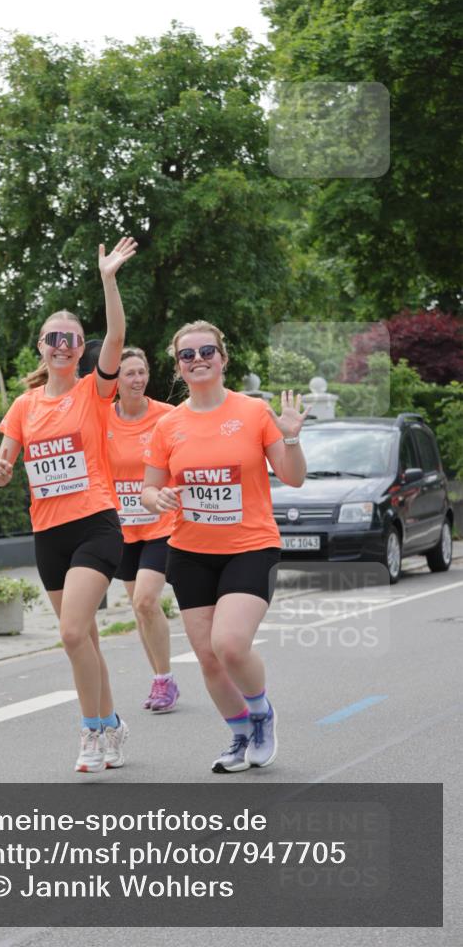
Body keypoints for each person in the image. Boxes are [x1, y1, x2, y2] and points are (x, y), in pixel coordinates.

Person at [0, 236, 138, 773]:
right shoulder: (24, 405)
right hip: (48, 534)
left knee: (73, 632)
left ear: (81, 349)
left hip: (95, 526)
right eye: (53, 337)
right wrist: (1, 469)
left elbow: (117, 335)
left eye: (71, 339)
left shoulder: (93, 393)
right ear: (41, 346)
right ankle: (115, 722)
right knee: (86, 639)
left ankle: (93, 731)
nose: (62, 345)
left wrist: (108, 280)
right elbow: (4, 462)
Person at [140, 320, 309, 773]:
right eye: (187, 355)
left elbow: (293, 477)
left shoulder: (253, 413)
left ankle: (260, 714)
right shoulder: (168, 425)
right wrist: (159, 498)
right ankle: (238, 735)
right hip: (190, 551)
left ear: (223, 358)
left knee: (230, 644)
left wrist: (290, 436)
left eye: (206, 351)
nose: (198, 360)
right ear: (178, 367)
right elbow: (147, 490)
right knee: (209, 658)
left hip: (250, 546)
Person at [107, 347, 180, 712]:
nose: (137, 380)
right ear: (115, 380)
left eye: (142, 372)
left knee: (146, 601)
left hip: (160, 524)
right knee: (140, 610)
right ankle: (159, 680)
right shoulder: (101, 419)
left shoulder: (166, 416)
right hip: (122, 528)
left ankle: (164, 679)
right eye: (129, 374)